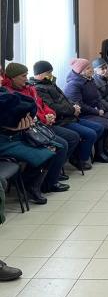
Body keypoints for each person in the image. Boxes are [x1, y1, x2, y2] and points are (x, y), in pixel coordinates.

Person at [2, 63, 72, 194]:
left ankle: (47, 180)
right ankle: (34, 184)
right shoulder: (8, 94)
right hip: (20, 133)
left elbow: (42, 105)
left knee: (62, 144)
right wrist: (43, 119)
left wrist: (50, 114)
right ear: (13, 77)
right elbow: (19, 117)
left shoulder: (30, 88)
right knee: (56, 147)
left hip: (35, 126)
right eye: (23, 76)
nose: (26, 78)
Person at [30, 60, 103, 171]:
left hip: (71, 117)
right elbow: (53, 107)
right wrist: (72, 110)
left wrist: (74, 106)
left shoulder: (50, 83)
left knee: (99, 128)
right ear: (39, 74)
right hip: (61, 120)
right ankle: (79, 159)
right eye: (48, 73)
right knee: (90, 134)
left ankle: (77, 154)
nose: (51, 75)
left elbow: (65, 98)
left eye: (51, 72)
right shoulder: (38, 88)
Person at [0, 70, 53, 205]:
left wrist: (14, 127)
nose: (1, 78)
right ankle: (28, 186)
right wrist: (10, 128)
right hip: (5, 142)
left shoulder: (4, 93)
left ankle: (29, 185)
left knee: (52, 150)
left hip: (13, 136)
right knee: (45, 154)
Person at [64, 58, 108, 163]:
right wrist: (97, 112)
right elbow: (80, 105)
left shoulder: (89, 80)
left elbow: (97, 98)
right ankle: (98, 153)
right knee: (104, 124)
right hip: (81, 114)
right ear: (80, 71)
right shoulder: (73, 84)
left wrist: (101, 108)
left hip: (92, 111)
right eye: (87, 68)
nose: (91, 70)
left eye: (90, 67)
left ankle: (104, 150)